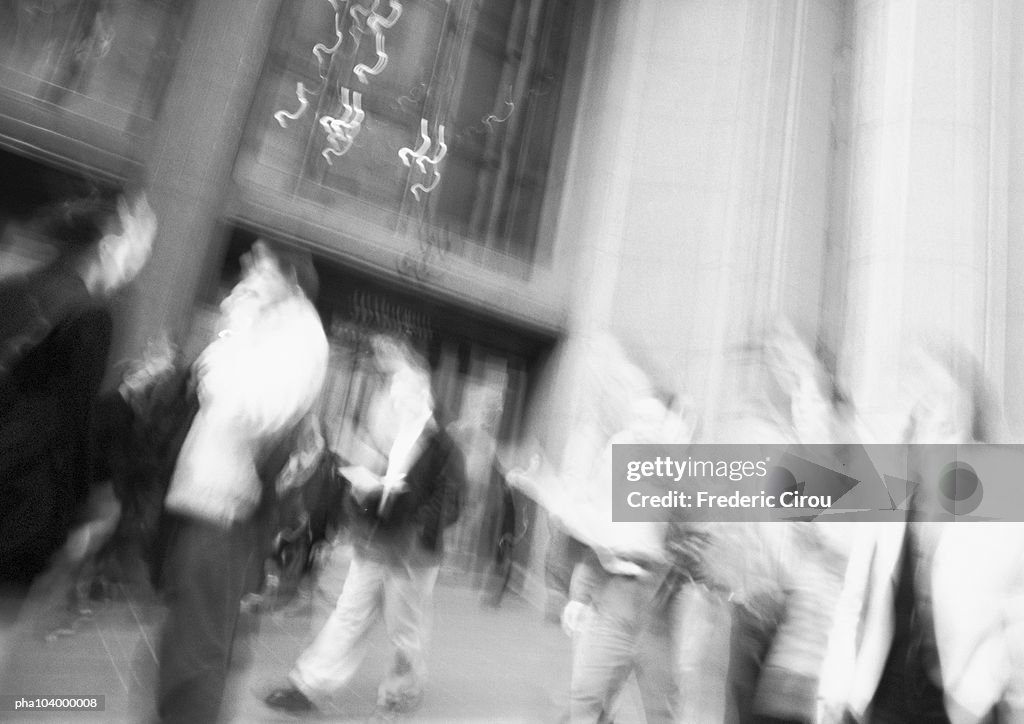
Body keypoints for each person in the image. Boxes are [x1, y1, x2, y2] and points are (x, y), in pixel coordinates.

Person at [156, 240, 328, 723]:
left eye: (261, 265)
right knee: (188, 635)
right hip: (205, 500)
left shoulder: (299, 337)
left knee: (199, 644)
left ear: (289, 279)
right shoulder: (274, 328)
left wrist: (234, 334)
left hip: (227, 507)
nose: (249, 272)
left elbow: (252, 409)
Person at [264, 335, 466, 716]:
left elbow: (450, 502)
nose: (395, 395)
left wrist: (410, 517)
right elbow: (387, 491)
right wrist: (367, 493)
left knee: (404, 632)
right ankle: (309, 686)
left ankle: (400, 694)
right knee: (348, 616)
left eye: (403, 387)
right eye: (393, 389)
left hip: (411, 553)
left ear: (423, 392)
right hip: (375, 544)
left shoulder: (443, 446)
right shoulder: (397, 439)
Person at [824, 343, 1024, 724]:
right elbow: (856, 598)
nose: (935, 408)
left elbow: (1018, 611)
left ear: (971, 408)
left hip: (965, 702)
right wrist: (837, 690)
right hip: (883, 696)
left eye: (946, 396)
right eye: (922, 399)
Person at [0, 191, 156, 590]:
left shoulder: (17, 288)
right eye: (139, 247)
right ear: (109, 246)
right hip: (22, 497)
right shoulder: (90, 317)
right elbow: (66, 424)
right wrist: (83, 510)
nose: (138, 262)